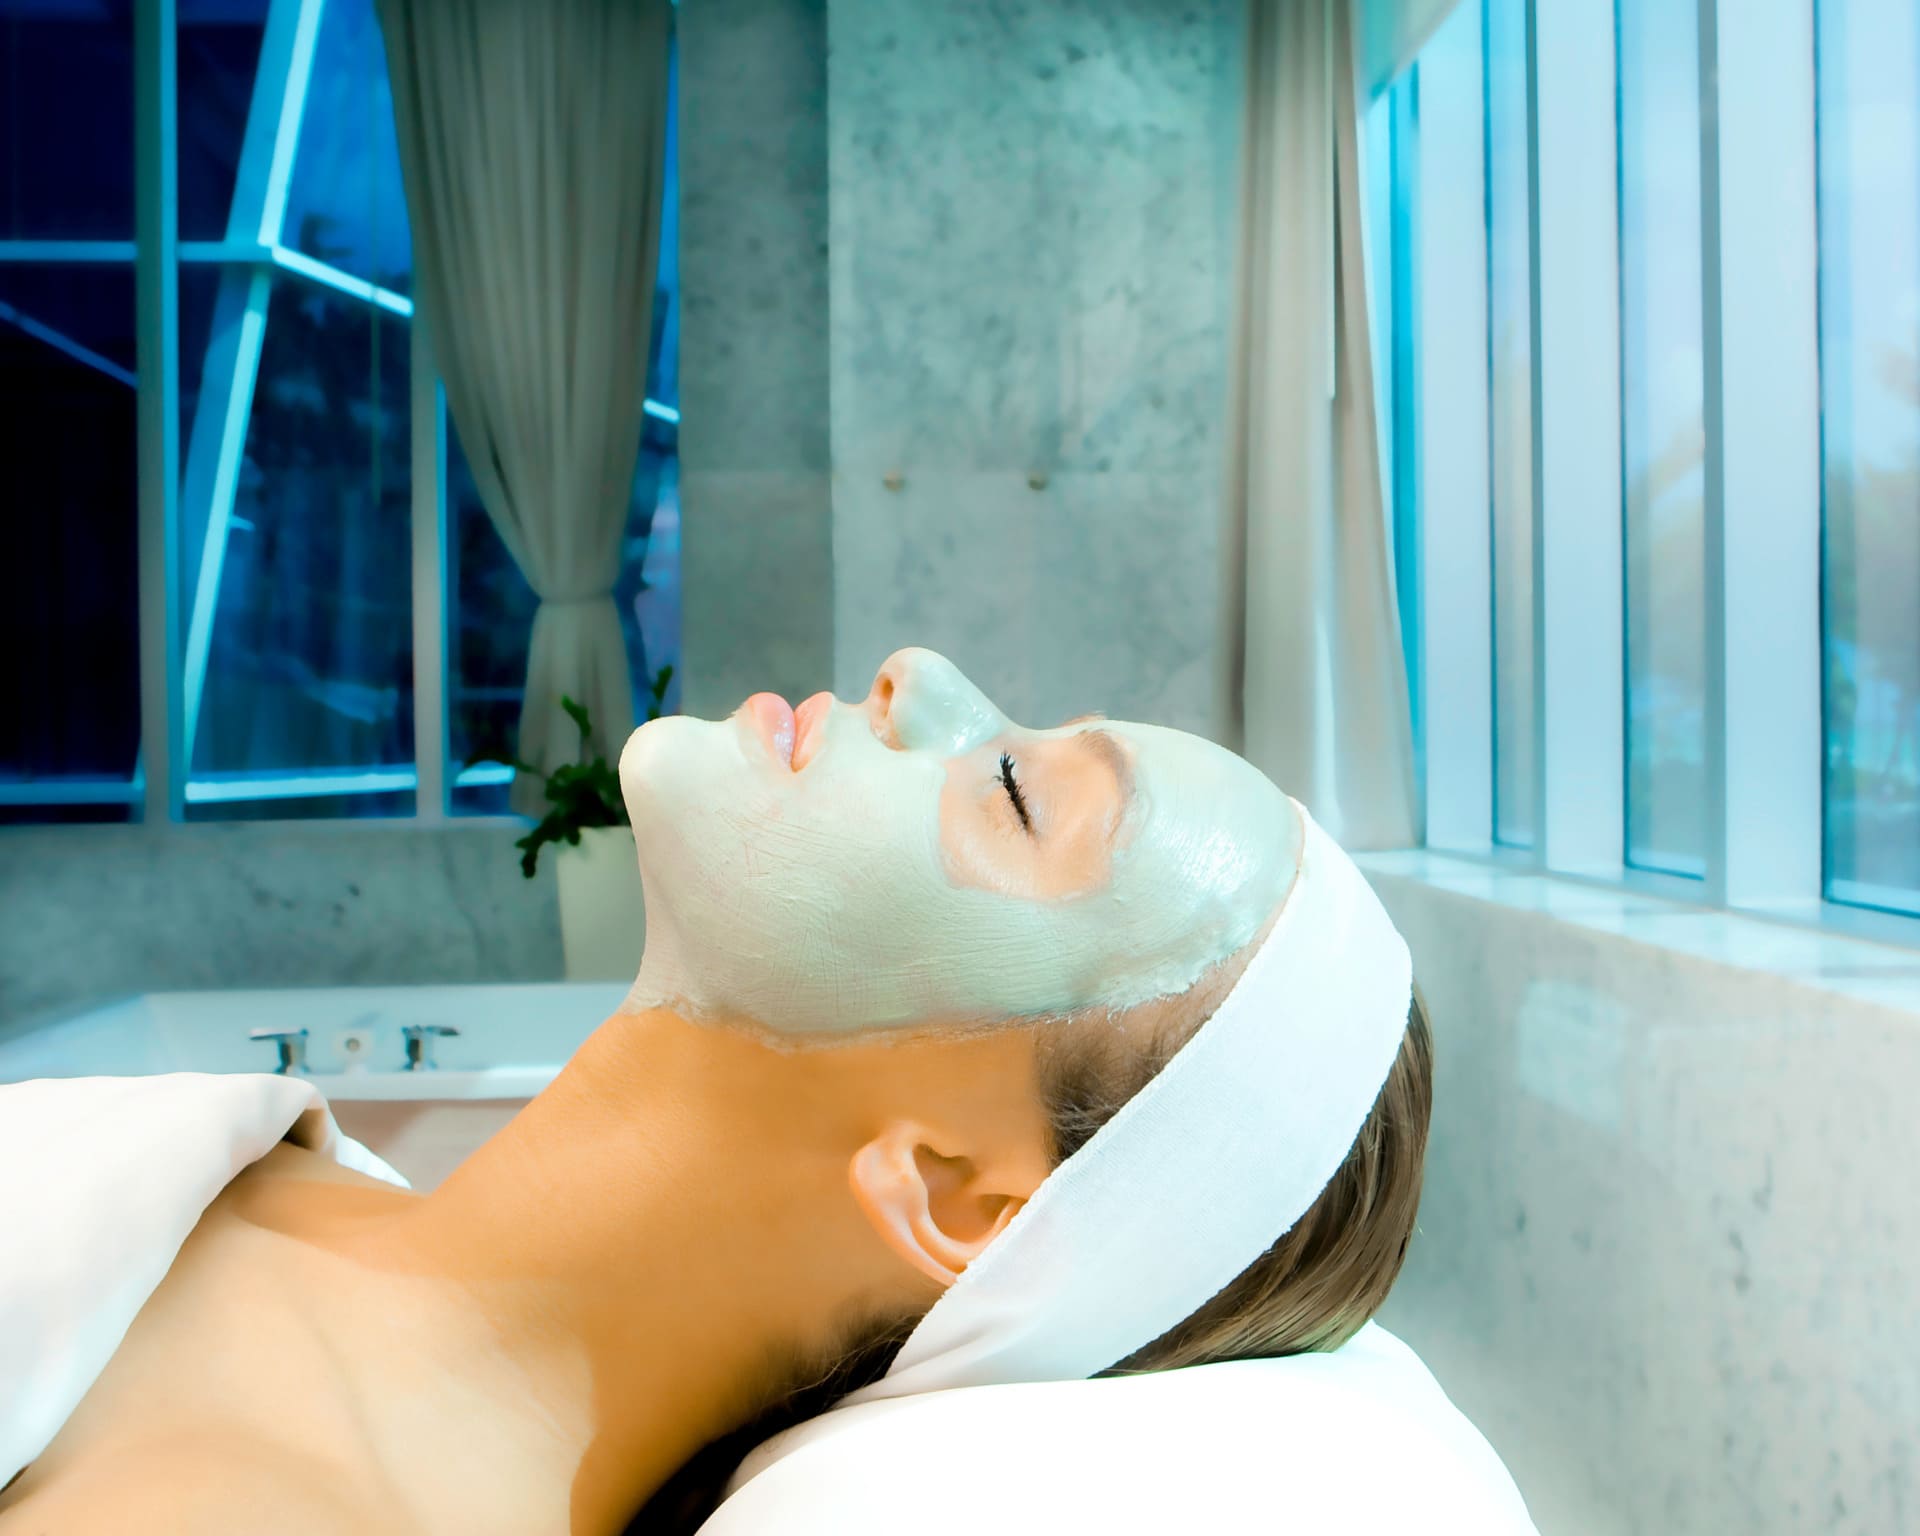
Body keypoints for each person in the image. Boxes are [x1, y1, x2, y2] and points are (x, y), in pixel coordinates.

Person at [0, 648, 1431, 1536]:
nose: (913, 673)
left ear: (951, 1192)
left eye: (1009, 787)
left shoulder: (255, 1512)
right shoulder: (237, 1179)